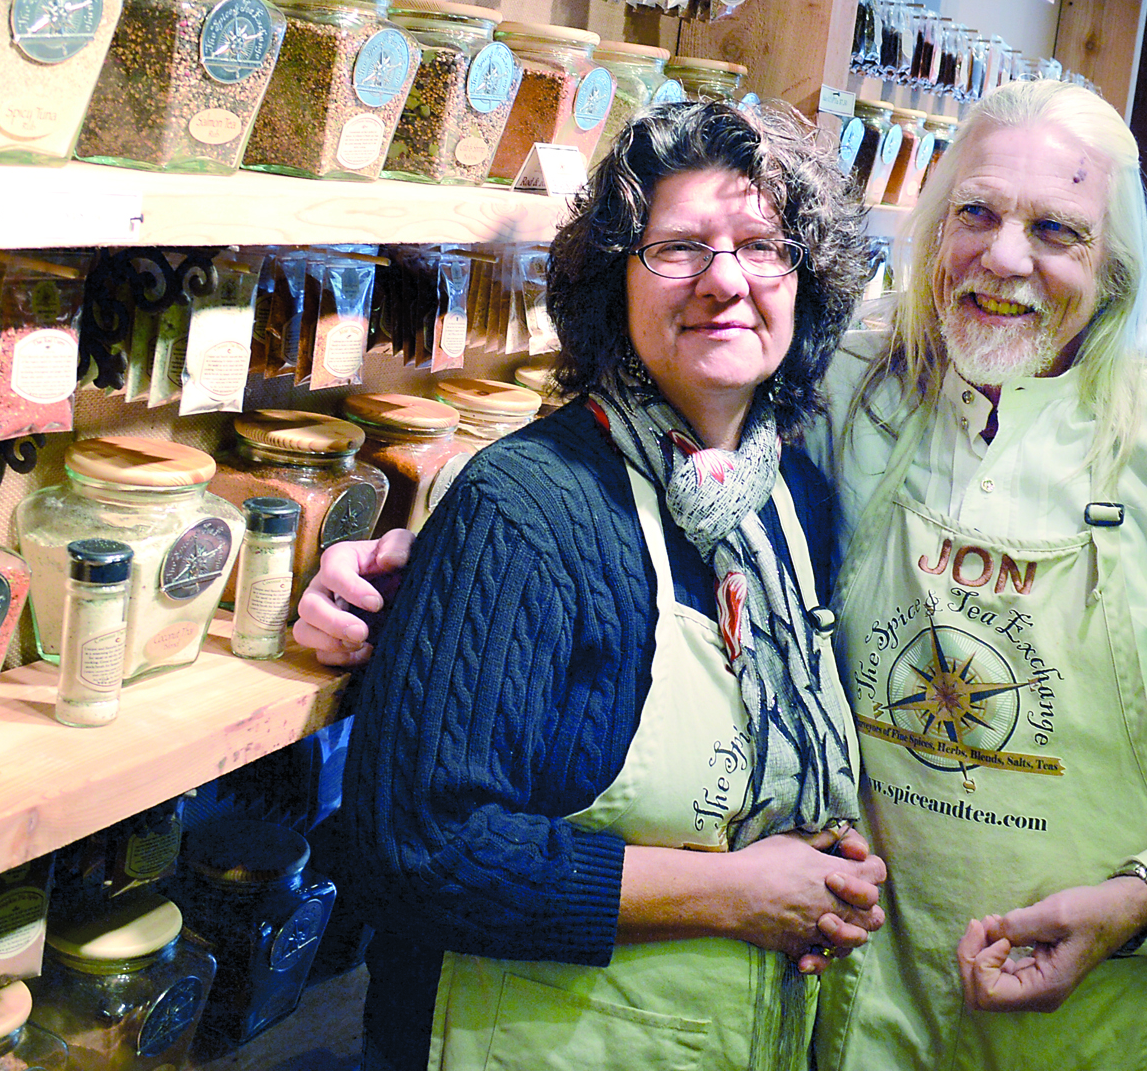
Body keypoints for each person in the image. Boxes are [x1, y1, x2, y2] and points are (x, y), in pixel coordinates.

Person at [306, 81, 1147, 1070]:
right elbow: (627, 461)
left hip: (1124, 1026)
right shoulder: (857, 395)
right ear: (928, 231)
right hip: (876, 1019)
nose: (1006, 259)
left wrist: (1138, 904)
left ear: (1115, 268)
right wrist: (403, 561)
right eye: (975, 214)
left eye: (1056, 229)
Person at [334, 99, 887, 1071]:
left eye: (762, 246)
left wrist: (823, 874)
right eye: (678, 247)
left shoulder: (795, 497)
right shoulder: (525, 506)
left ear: (805, 280)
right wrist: (737, 894)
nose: (725, 279)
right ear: (614, 283)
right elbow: (416, 850)